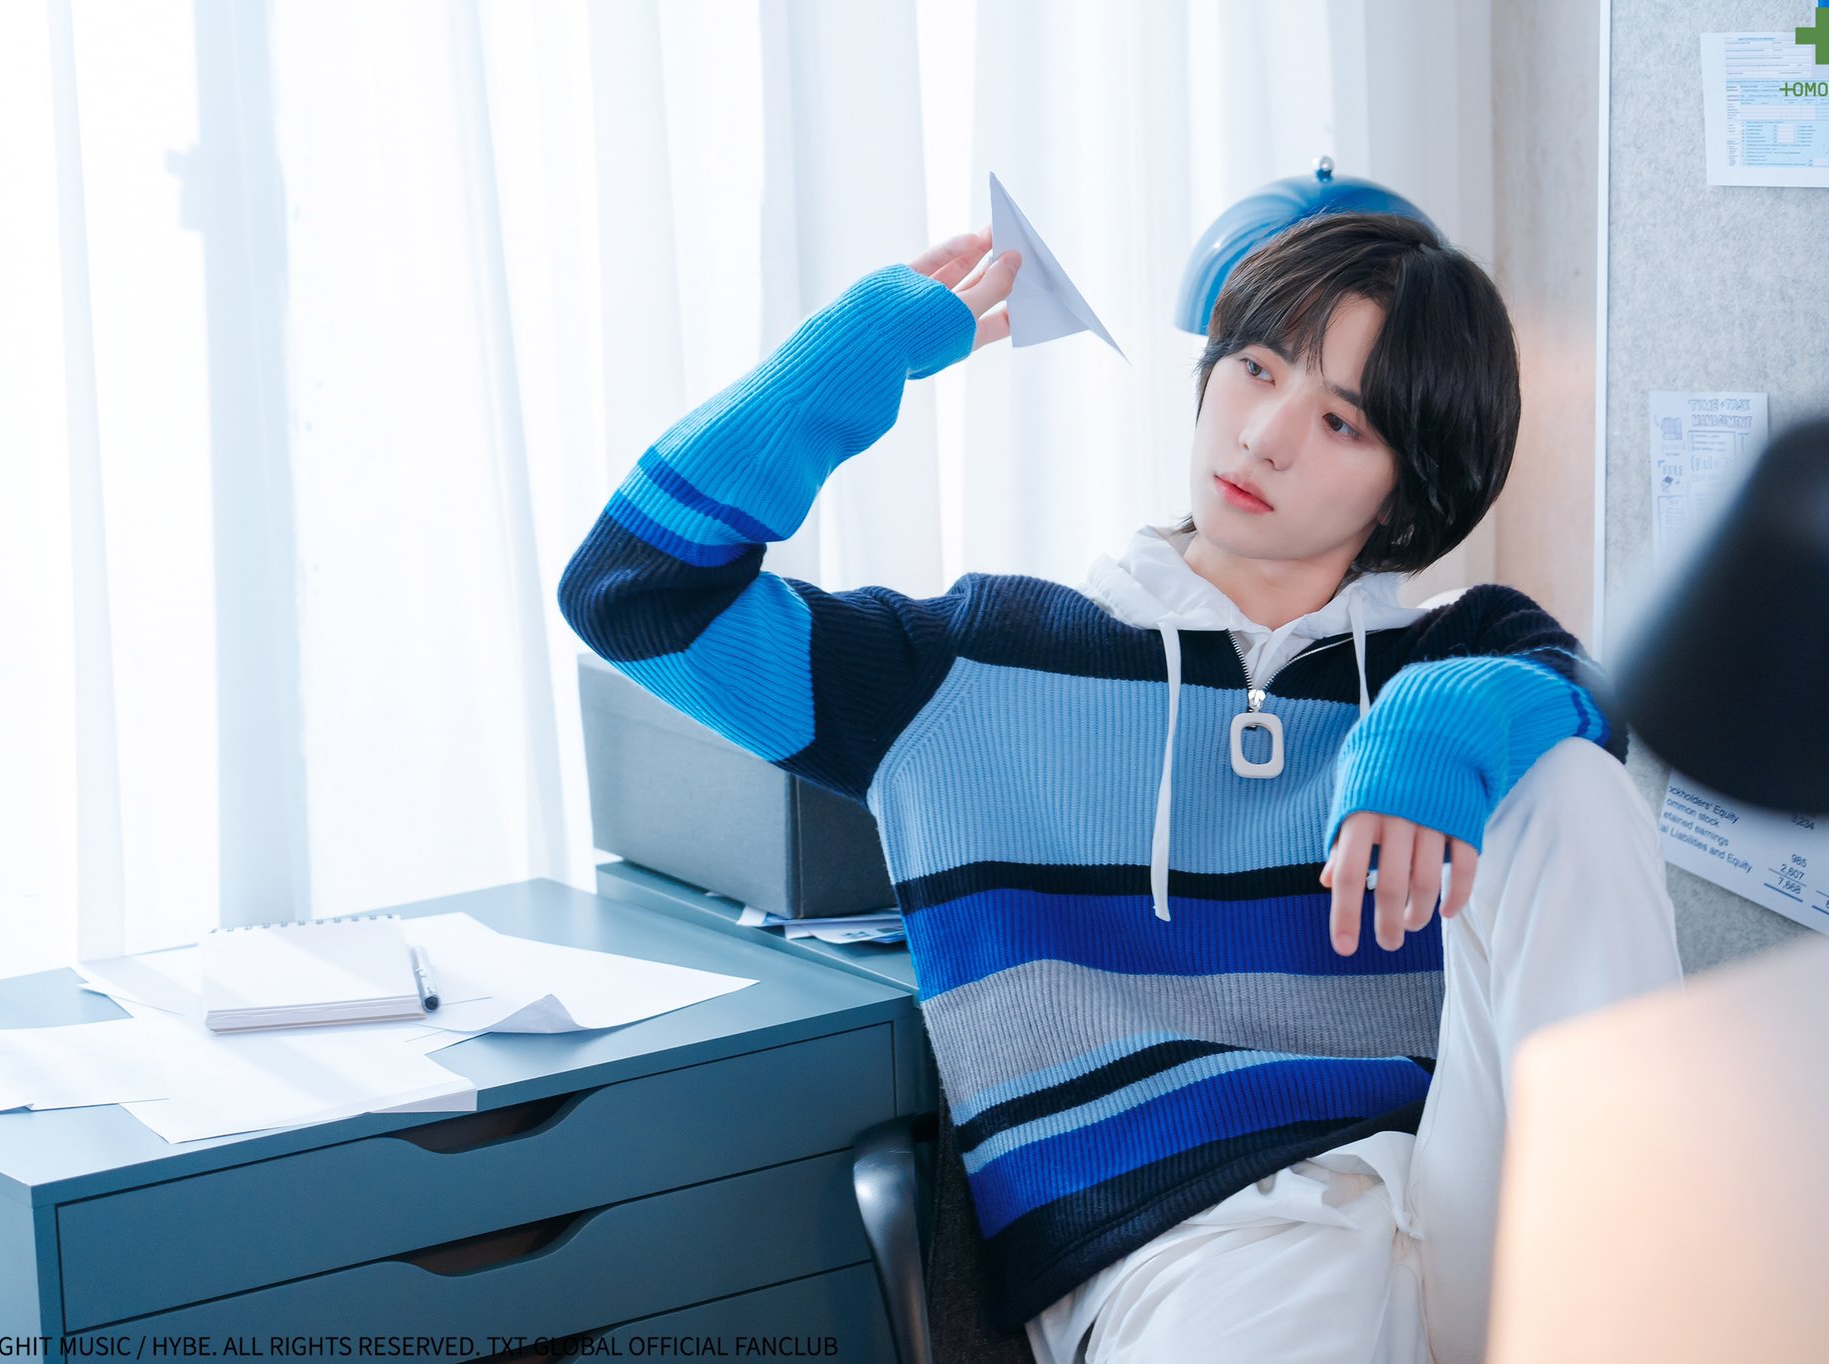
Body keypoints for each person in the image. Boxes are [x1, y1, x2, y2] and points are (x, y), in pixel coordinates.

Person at [558, 212, 1683, 1363]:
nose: (1264, 435)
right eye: (1256, 368)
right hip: (1197, 1247)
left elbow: (1596, 712)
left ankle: (1664, 1282)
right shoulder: (971, 668)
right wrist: (862, 351)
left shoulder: (1459, 649)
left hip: (1464, 1188)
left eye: (1340, 420)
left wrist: (1441, 709)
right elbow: (631, 589)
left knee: (1563, 775)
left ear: (1401, 496)